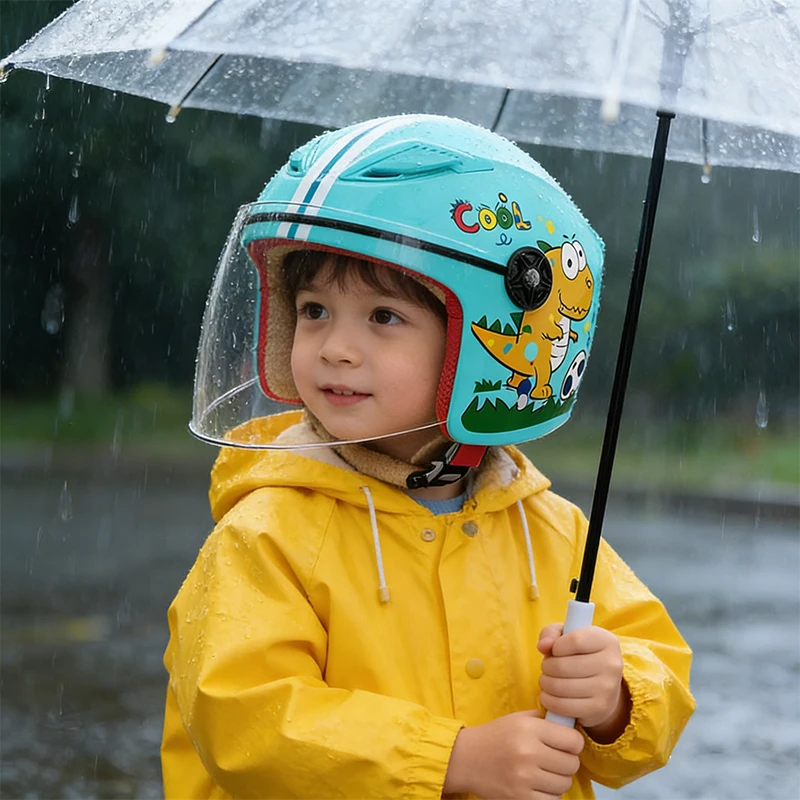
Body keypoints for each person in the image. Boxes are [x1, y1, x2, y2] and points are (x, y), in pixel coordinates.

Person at [161, 114, 695, 799]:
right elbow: (244, 720)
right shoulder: (267, 534)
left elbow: (662, 672)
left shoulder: (551, 535)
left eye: (383, 317)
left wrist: (616, 698)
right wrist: (450, 760)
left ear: (490, 341)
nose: (334, 347)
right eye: (315, 309)